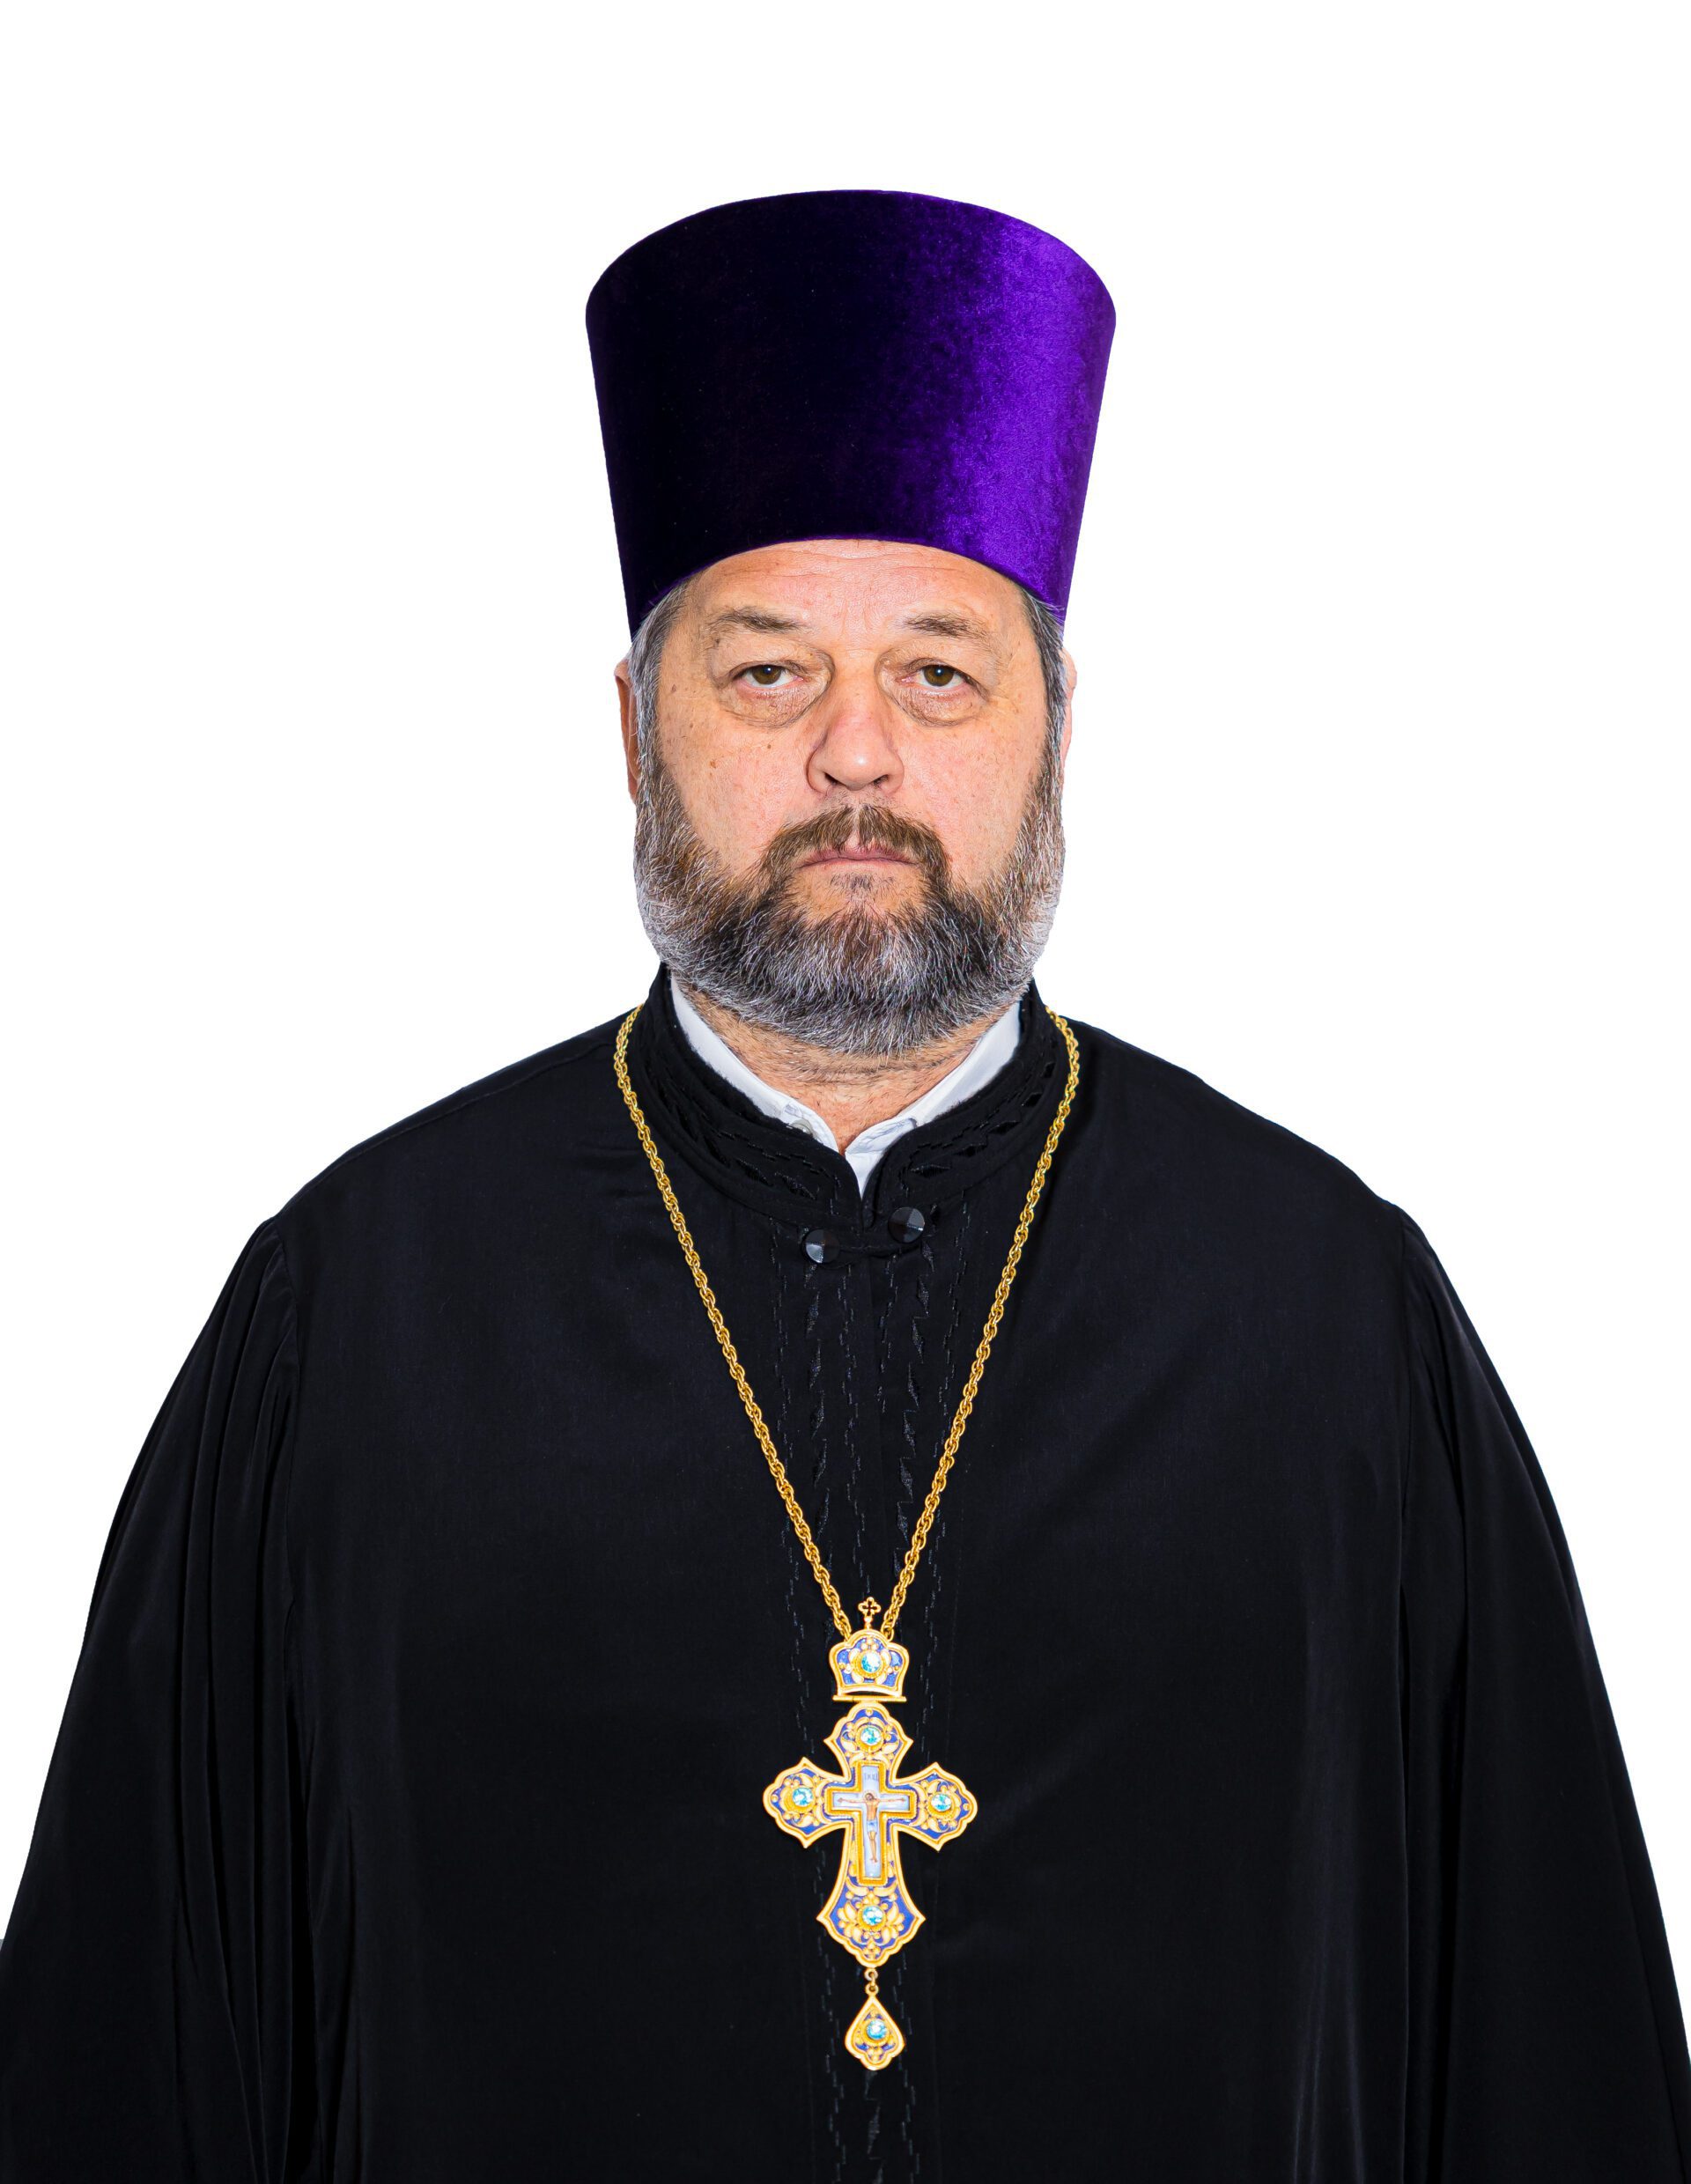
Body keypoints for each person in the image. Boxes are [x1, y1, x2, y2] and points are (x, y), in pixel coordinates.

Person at [1, 188, 1687, 2182]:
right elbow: (125, 2077)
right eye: (770, 675)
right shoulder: (362, 1318)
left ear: (1057, 729)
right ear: (635, 732)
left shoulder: (1326, 1317)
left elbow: (1547, 2069)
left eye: (941, 674)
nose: (858, 759)